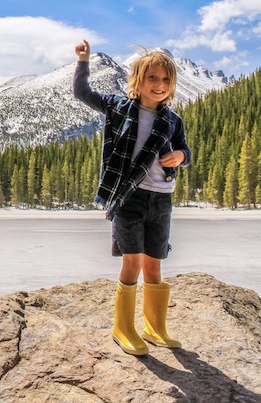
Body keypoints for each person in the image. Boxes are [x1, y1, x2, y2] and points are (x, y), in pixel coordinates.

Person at [73, 39, 191, 356]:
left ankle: (155, 328)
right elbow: (82, 94)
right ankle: (123, 327)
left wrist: (180, 155)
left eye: (165, 80)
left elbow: (186, 151)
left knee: (154, 264)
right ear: (137, 80)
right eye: (152, 78)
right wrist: (83, 62)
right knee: (133, 261)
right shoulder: (118, 108)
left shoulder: (172, 121)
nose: (159, 85)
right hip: (128, 197)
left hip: (162, 199)